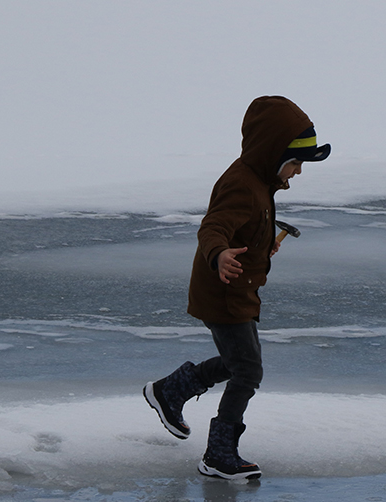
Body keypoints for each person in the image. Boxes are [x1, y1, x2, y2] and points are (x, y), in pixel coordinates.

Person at [144, 96, 331, 480]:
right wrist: (219, 255)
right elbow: (213, 227)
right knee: (247, 370)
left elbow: (249, 225)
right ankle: (218, 455)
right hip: (223, 290)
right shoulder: (241, 184)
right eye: (296, 163)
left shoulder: (261, 181)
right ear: (275, 153)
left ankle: (170, 391)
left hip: (238, 289)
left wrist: (266, 243)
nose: (298, 172)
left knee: (239, 363)